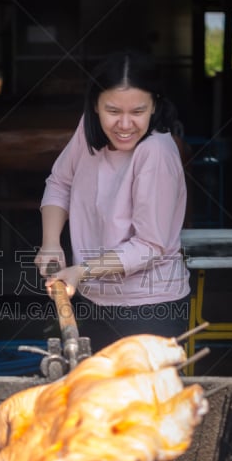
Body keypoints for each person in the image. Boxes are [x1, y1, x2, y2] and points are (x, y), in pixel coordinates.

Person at [34, 49, 191, 352]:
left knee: (142, 399)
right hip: (95, 297)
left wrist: (81, 271)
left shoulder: (156, 152)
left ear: (154, 106)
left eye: (138, 112)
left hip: (150, 307)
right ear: (95, 105)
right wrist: (51, 242)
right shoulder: (88, 130)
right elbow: (60, 182)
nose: (125, 124)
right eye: (113, 111)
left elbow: (150, 245)